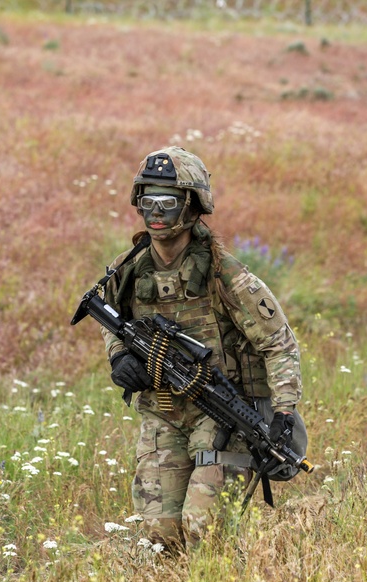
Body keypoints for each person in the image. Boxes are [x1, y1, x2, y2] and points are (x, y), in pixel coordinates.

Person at [100, 146, 307, 551]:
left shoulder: (225, 274)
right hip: (163, 413)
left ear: (193, 208)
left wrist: (283, 412)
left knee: (204, 532)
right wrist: (120, 356)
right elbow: (111, 318)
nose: (156, 213)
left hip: (223, 417)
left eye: (168, 203)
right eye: (148, 202)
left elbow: (279, 343)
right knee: (159, 537)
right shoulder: (129, 268)